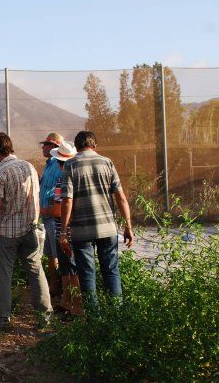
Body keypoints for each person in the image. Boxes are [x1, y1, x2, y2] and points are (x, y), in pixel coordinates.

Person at [0, 132, 53, 330]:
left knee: (4, 275)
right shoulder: (28, 166)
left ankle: (1, 319)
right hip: (30, 229)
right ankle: (45, 318)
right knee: (36, 272)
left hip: (6, 232)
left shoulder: (0, 173)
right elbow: (35, 197)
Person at [59, 131, 134, 312]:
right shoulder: (107, 163)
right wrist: (128, 226)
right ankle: (116, 317)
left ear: (76, 147)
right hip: (108, 228)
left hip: (81, 231)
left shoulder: (71, 165)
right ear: (94, 145)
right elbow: (121, 197)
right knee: (111, 272)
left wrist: (63, 231)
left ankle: (95, 322)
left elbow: (67, 200)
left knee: (87, 275)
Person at [47, 141, 81, 319]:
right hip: (72, 230)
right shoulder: (77, 176)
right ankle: (67, 302)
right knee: (68, 268)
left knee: (71, 269)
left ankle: (76, 307)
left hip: (65, 231)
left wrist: (40, 209)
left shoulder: (63, 179)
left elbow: (58, 208)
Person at [38, 132, 64, 296]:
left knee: (58, 253)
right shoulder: (48, 165)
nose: (43, 147)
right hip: (46, 216)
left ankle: (62, 288)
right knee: (50, 253)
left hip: (54, 216)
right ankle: (54, 286)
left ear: (54, 147)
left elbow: (60, 192)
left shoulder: (59, 165)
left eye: (46, 145)